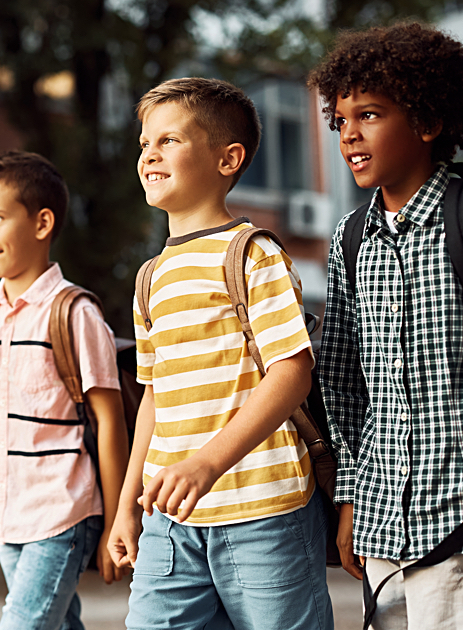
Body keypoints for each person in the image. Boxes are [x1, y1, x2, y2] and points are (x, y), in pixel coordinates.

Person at [310, 22, 463, 628]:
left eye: (369, 115)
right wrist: (349, 497)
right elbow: (342, 381)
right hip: (381, 519)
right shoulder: (349, 237)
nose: (350, 135)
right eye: (341, 121)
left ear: (427, 122)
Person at [107, 77, 332, 629]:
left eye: (170, 141)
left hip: (263, 510)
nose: (150, 154)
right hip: (169, 518)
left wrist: (209, 461)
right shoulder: (149, 277)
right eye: (144, 144)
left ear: (228, 158)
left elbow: (292, 373)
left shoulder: (253, 254)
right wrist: (126, 505)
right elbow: (154, 402)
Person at [0, 150, 129, 630]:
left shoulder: (74, 314)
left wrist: (114, 523)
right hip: (6, 516)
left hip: (63, 511)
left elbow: (111, 423)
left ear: (42, 223)